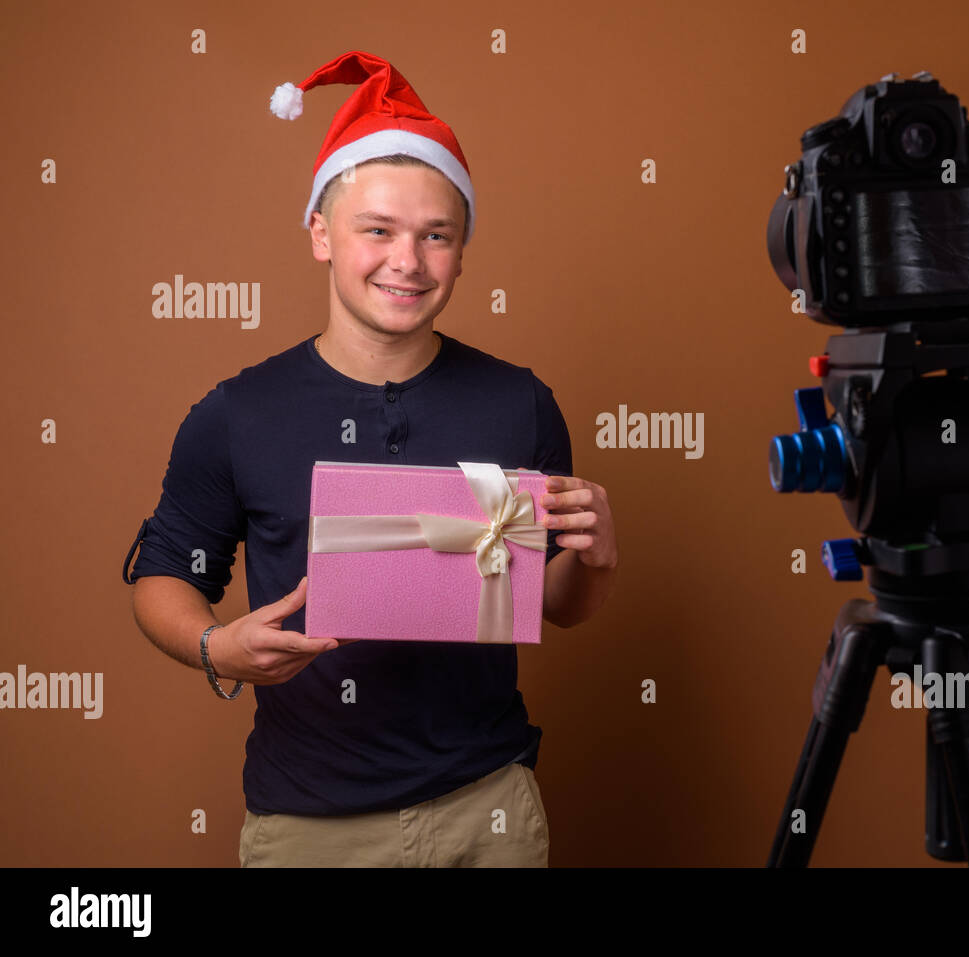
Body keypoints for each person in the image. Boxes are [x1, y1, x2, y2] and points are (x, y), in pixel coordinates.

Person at [121, 50, 617, 867]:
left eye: (436, 236)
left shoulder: (518, 402)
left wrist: (597, 558)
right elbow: (164, 571)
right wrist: (219, 647)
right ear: (321, 233)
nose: (407, 261)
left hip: (486, 804)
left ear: (462, 250)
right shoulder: (238, 413)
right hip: (308, 825)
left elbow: (558, 603)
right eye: (377, 230)